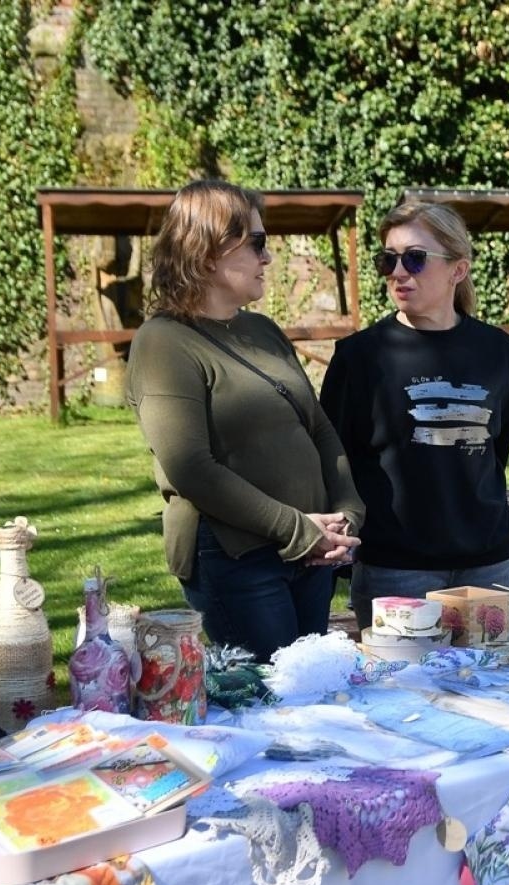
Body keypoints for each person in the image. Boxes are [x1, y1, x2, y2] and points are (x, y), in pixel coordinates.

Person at [127, 179, 364, 661]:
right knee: (270, 707)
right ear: (208, 250)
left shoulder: (262, 330)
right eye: (256, 243)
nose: (267, 257)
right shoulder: (164, 342)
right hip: (237, 559)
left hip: (313, 552)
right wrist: (299, 529)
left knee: (312, 692)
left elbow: (317, 427)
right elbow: (191, 467)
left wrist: (346, 513)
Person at [320, 201, 509, 631]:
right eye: (388, 259)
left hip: (488, 566)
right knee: (400, 694)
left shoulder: (498, 351)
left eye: (414, 258)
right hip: (395, 569)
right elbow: (334, 459)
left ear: (458, 269)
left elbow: (495, 450)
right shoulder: (359, 357)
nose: (397, 271)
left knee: (496, 689)